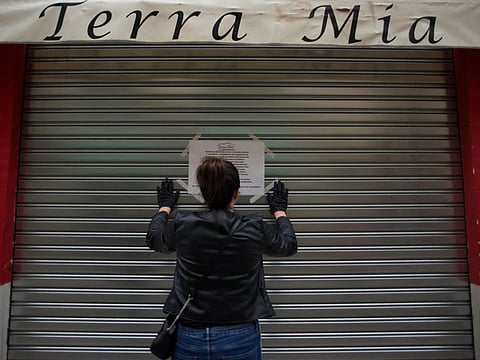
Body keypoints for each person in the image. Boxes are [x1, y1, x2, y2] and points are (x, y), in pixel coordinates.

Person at [146, 156, 297, 360]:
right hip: (239, 335)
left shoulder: (184, 224)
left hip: (190, 335)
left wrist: (164, 208)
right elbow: (288, 245)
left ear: (203, 192)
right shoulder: (254, 227)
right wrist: (279, 211)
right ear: (236, 192)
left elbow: (155, 239)